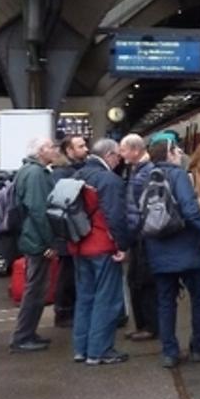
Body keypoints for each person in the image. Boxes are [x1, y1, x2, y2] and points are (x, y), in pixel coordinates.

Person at [131, 132, 200, 368]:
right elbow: (190, 213)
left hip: (158, 250)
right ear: (169, 154)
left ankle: (169, 352)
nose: (181, 154)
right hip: (186, 249)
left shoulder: (145, 175)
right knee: (199, 299)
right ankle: (199, 347)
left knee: (165, 302)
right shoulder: (178, 176)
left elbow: (139, 215)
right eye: (177, 151)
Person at [71, 138, 131, 366]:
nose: (119, 160)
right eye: (117, 155)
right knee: (107, 299)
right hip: (102, 246)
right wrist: (122, 247)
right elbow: (116, 218)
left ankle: (81, 348)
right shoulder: (109, 180)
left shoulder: (77, 175)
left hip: (79, 245)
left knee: (85, 298)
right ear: (108, 155)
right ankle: (99, 351)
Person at [9, 136, 61, 352]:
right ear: (40, 151)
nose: (55, 149)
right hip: (37, 240)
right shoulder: (36, 174)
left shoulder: (28, 170)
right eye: (50, 147)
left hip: (32, 237)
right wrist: (51, 242)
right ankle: (23, 336)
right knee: (36, 289)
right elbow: (39, 211)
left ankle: (27, 333)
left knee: (36, 288)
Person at [119, 133, 158, 341]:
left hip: (142, 238)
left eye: (123, 150)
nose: (120, 154)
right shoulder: (138, 170)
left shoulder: (143, 174)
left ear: (135, 150)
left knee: (142, 282)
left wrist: (127, 240)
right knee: (137, 281)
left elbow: (138, 211)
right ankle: (145, 324)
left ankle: (149, 326)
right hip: (141, 237)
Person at [50, 134, 89, 328]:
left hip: (71, 231)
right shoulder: (62, 172)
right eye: (81, 146)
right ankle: (64, 311)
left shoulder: (71, 169)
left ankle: (67, 309)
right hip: (66, 232)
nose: (86, 149)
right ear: (69, 150)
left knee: (71, 272)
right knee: (67, 272)